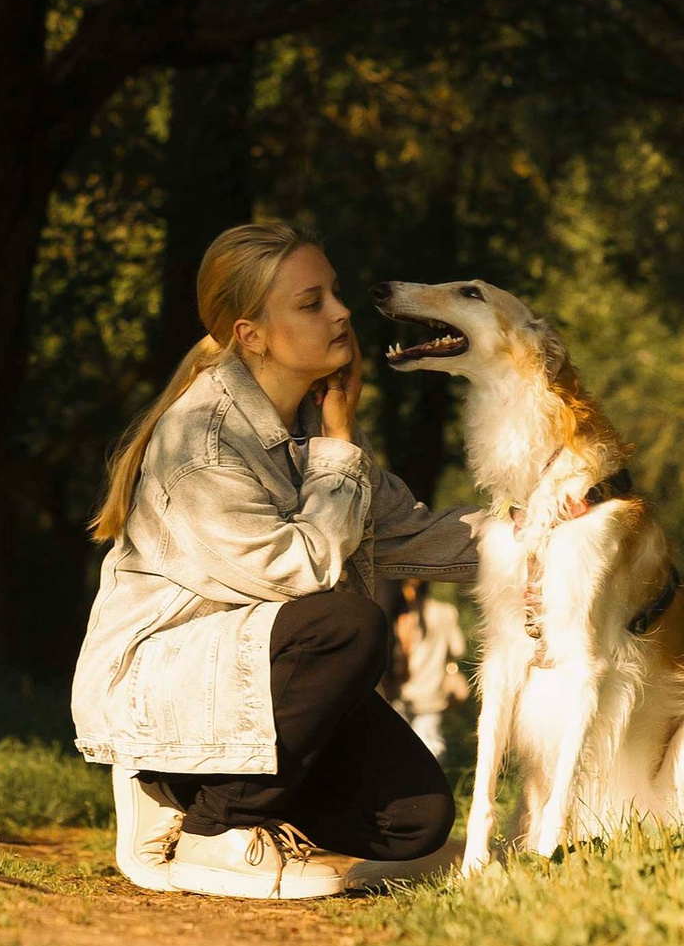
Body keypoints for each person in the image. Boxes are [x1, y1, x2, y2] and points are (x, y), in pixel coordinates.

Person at [72, 217, 480, 899]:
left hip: (253, 687)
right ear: (249, 335)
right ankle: (212, 832)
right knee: (348, 623)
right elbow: (300, 573)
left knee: (416, 822)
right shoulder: (201, 444)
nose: (343, 312)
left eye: (335, 292)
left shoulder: (303, 440)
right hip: (163, 699)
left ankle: (253, 812)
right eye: (311, 302)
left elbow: (415, 535)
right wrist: (340, 446)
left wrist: (560, 524)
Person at [388, 579, 472, 761]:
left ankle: (405, 787)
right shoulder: (445, 612)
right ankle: (432, 784)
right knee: (430, 743)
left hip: (400, 689)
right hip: (432, 690)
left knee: (397, 745)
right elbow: (458, 648)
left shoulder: (401, 616)